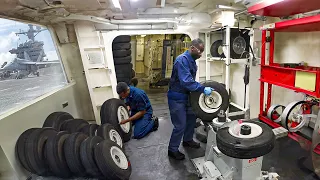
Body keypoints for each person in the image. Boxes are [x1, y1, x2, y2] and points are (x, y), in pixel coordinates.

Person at [167, 38, 214, 160]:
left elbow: (190, 80)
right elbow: (187, 81)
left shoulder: (192, 60)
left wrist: (198, 88)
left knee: (192, 118)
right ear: (192, 48)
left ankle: (187, 140)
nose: (201, 54)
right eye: (200, 51)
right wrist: (202, 89)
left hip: (188, 95)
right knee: (180, 124)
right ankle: (172, 149)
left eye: (202, 51)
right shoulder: (182, 60)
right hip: (176, 97)